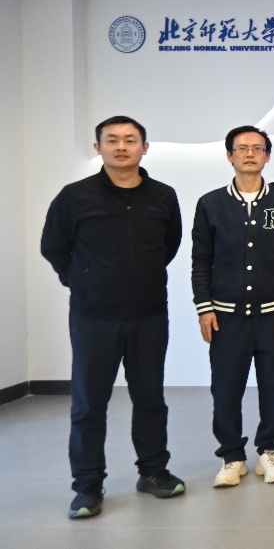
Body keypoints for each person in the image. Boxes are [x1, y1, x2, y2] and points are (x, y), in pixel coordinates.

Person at [41, 116, 185, 519]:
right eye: (112, 140)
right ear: (98, 147)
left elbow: (170, 244)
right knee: (89, 404)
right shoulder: (75, 196)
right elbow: (53, 246)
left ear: (144, 147)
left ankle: (153, 472)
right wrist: (82, 281)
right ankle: (87, 486)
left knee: (150, 398)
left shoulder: (163, 196)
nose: (121, 147)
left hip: (149, 314)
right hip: (94, 317)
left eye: (130, 140)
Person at [192, 126, 274, 488]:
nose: (250, 154)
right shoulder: (211, 203)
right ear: (229, 156)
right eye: (242, 148)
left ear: (268, 156)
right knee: (226, 388)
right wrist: (204, 307)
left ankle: (269, 451)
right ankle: (231, 456)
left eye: (258, 148)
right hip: (226, 316)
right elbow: (201, 260)